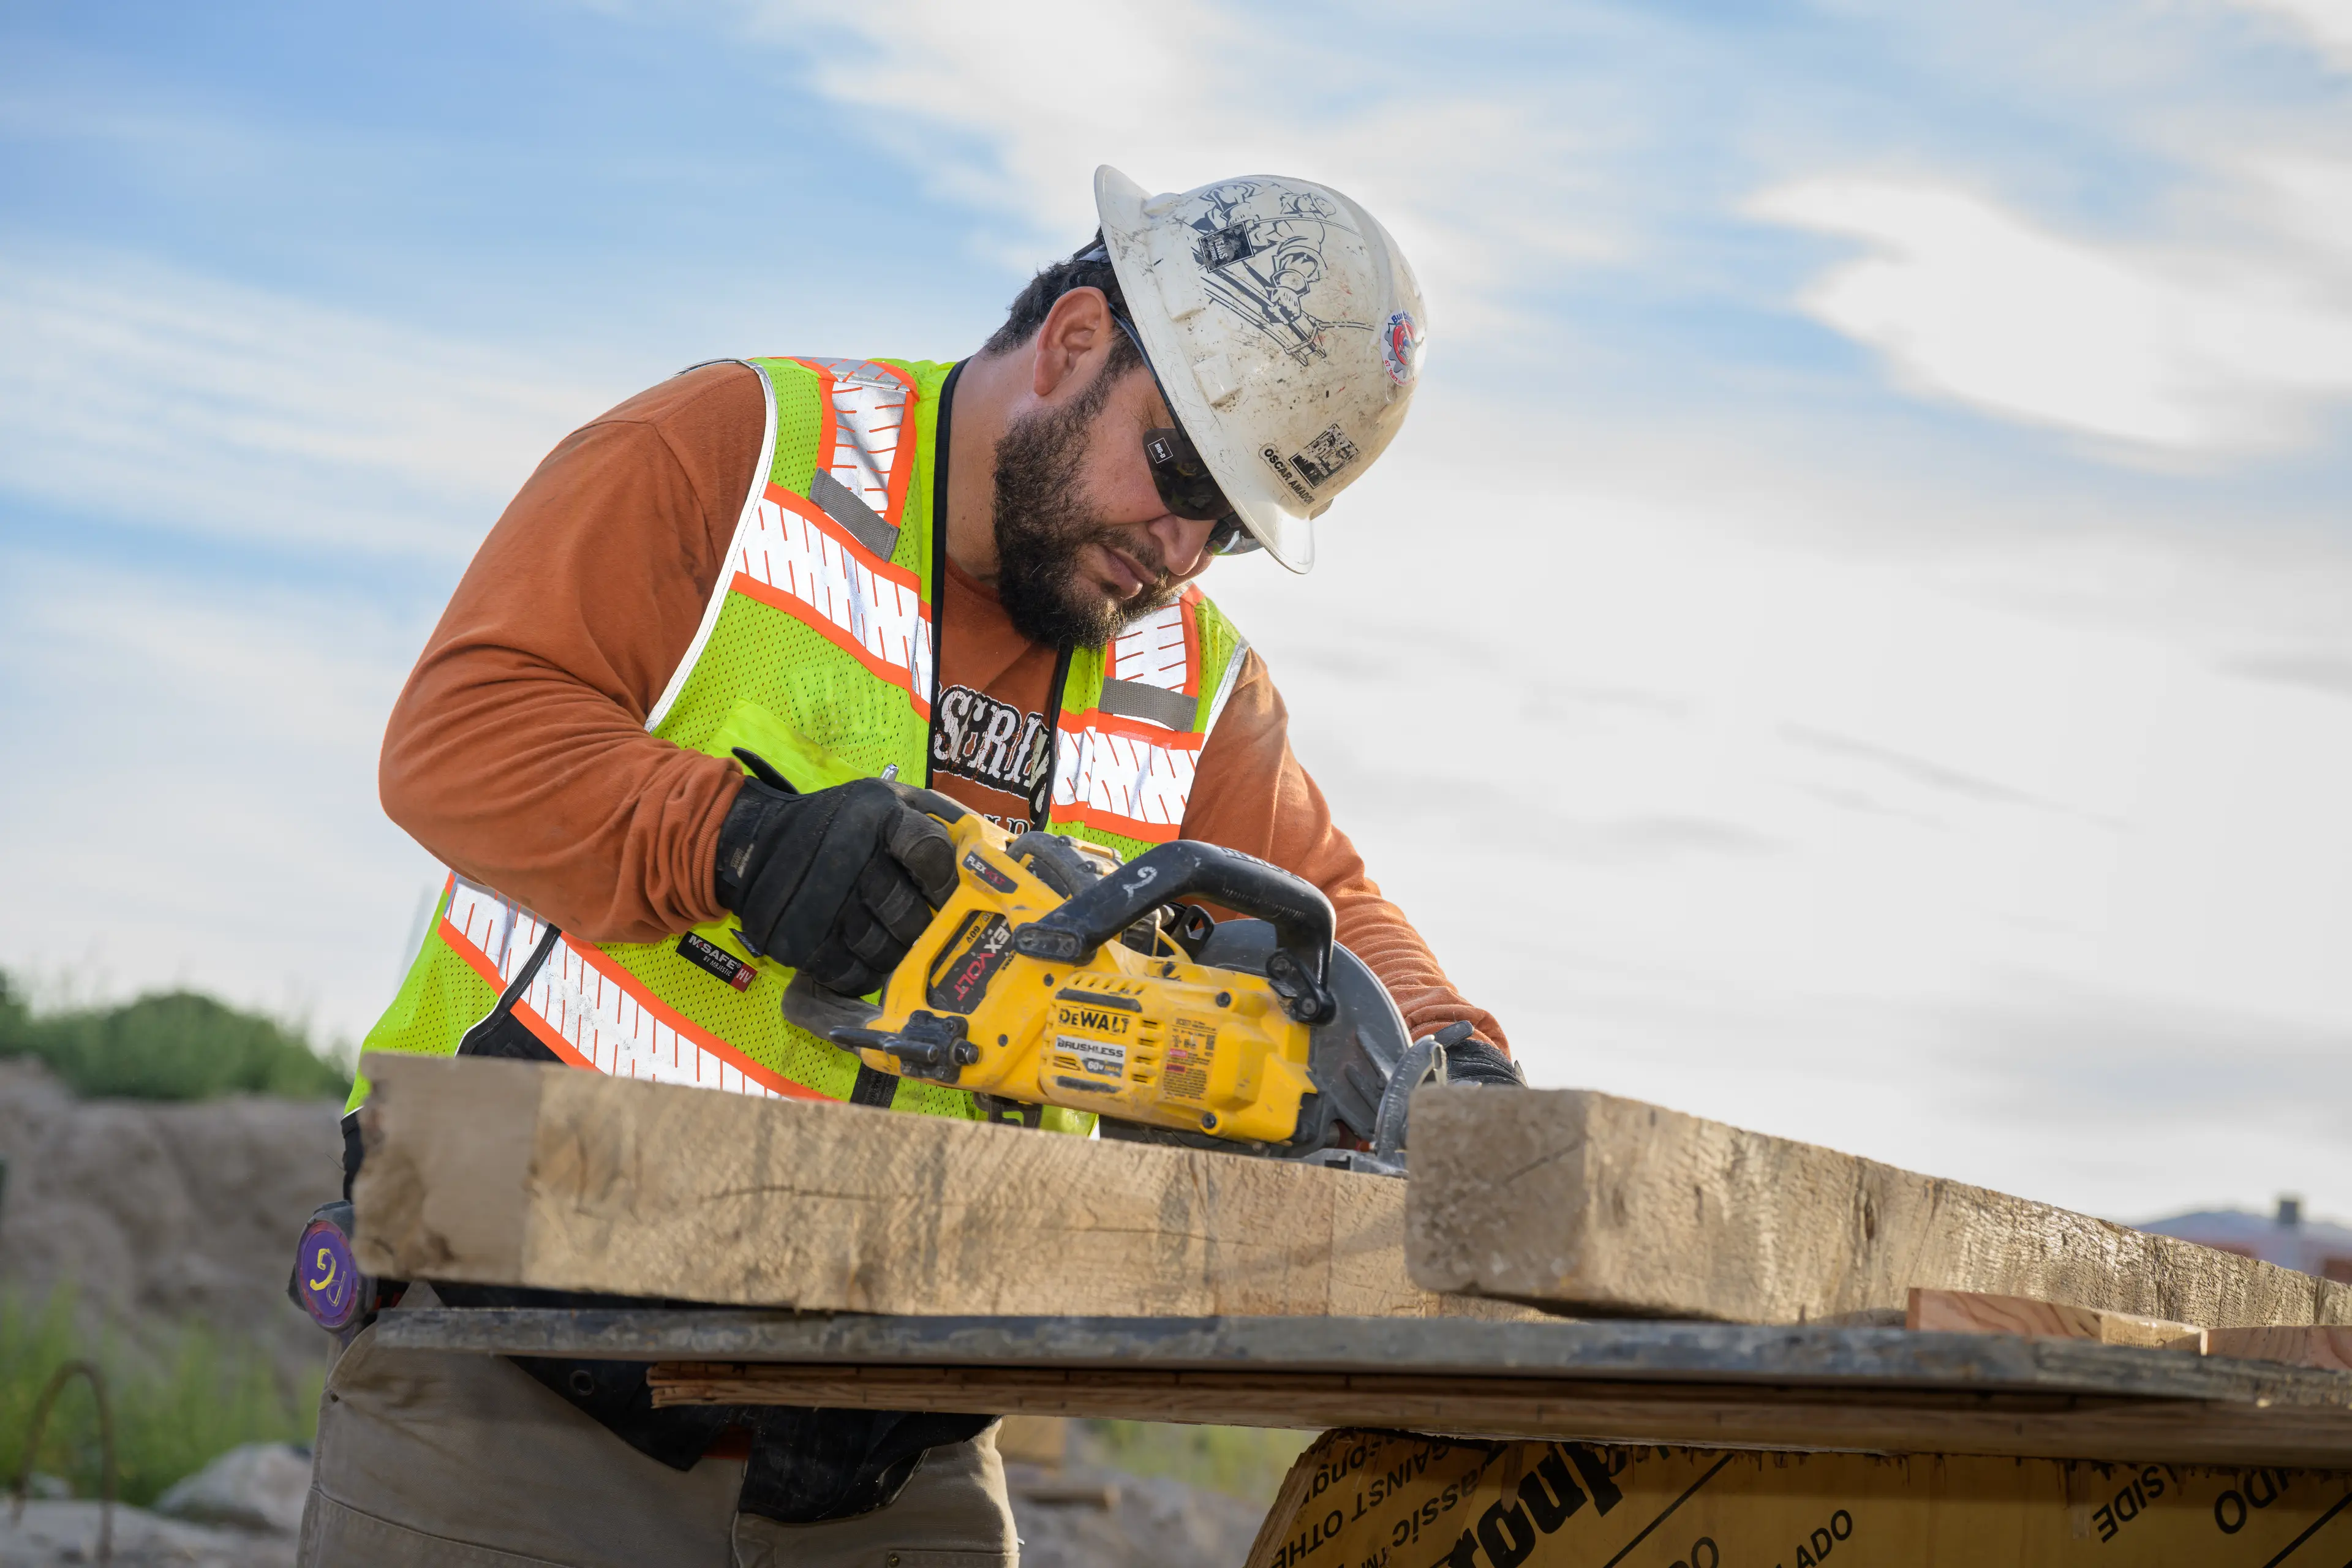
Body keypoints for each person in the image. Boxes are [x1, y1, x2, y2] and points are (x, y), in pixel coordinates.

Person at [297, 166, 1519, 1568]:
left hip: (896, 1476)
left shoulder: (1193, 683)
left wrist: (1459, 1068)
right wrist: (737, 843)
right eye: (1180, 469)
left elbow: (1338, 925)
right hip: (522, 1402)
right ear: (1070, 343)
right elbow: (457, 735)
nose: (1180, 549)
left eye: (1230, 527)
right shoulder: (739, 453)